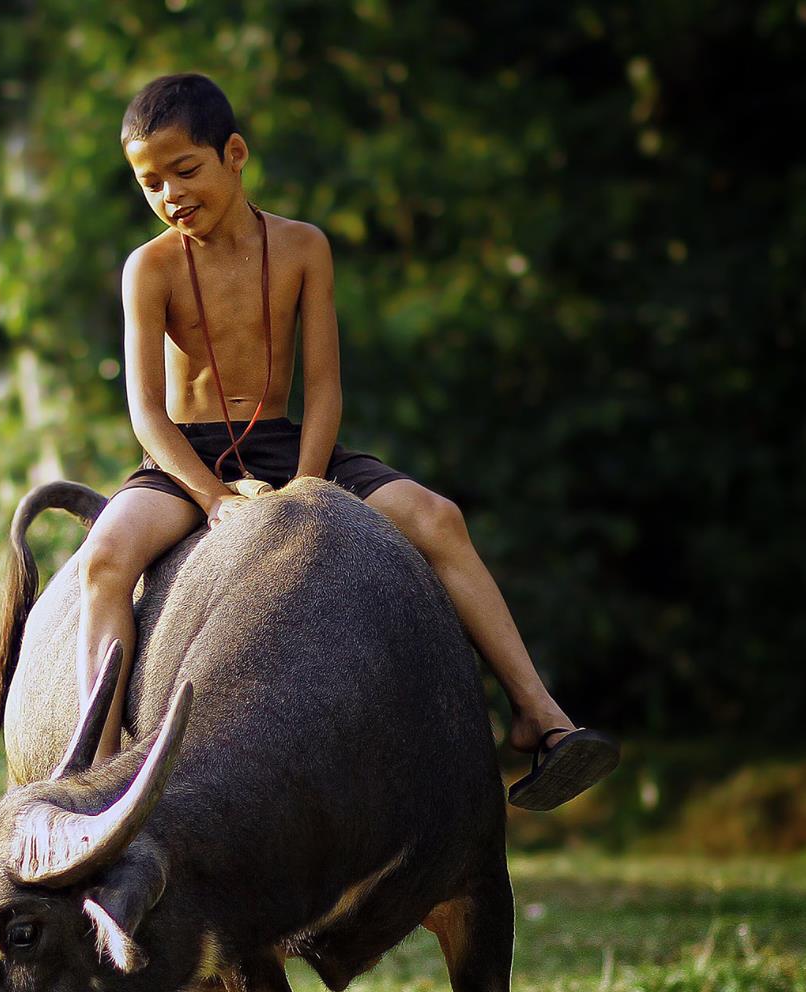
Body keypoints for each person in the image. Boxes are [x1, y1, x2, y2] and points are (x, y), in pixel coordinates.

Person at [82, 72, 617, 810]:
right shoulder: (151, 266)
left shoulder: (303, 248)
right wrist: (211, 499)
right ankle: (98, 768)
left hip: (286, 443)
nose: (170, 195)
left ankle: (540, 715)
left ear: (234, 153)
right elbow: (146, 411)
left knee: (438, 518)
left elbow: (325, 387)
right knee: (104, 560)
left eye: (185, 170)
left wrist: (307, 486)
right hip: (186, 458)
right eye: (149, 183)